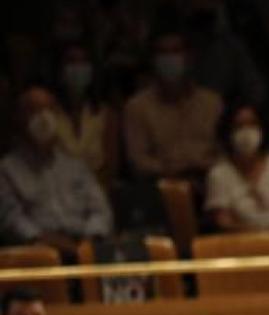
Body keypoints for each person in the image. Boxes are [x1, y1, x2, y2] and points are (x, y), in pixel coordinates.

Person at [0, 86, 113, 251]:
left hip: (85, 246)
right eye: (34, 110)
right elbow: (12, 221)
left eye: (49, 109)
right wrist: (45, 240)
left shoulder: (75, 166)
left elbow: (100, 209)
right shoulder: (6, 171)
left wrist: (89, 239)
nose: (44, 118)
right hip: (39, 252)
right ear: (18, 117)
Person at [122, 29, 223, 179]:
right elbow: (138, 161)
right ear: (153, 60)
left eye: (176, 51)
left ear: (189, 57)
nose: (170, 58)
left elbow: (224, 152)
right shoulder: (137, 107)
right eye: (163, 53)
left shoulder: (212, 103)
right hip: (161, 184)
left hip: (209, 180)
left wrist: (207, 168)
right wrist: (171, 171)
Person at [204, 104, 269, 237]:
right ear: (228, 132)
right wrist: (263, 234)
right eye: (239, 126)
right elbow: (223, 223)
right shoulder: (219, 174)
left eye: (252, 124)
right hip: (244, 245)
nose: (246, 132)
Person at [50, 41, 120, 186]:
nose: (78, 67)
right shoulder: (47, 113)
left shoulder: (106, 114)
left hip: (98, 194)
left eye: (84, 62)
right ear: (59, 70)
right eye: (71, 61)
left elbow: (111, 167)